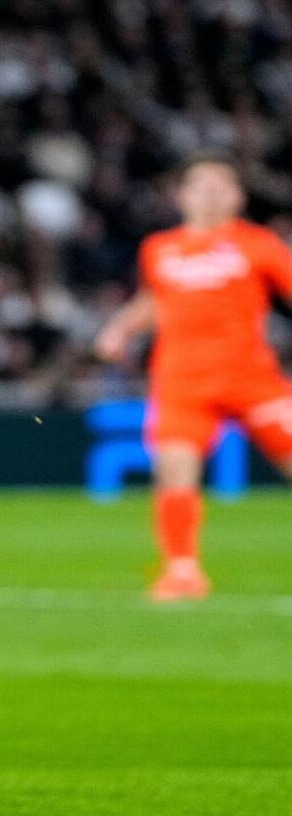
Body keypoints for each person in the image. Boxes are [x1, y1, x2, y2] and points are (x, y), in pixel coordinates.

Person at [95, 157, 292, 601]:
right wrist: (120, 329)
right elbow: (153, 301)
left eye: (222, 185)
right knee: (175, 469)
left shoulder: (258, 245)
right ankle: (182, 571)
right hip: (182, 380)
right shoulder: (159, 248)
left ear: (238, 197)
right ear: (182, 195)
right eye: (201, 185)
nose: (211, 193)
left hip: (252, 378)